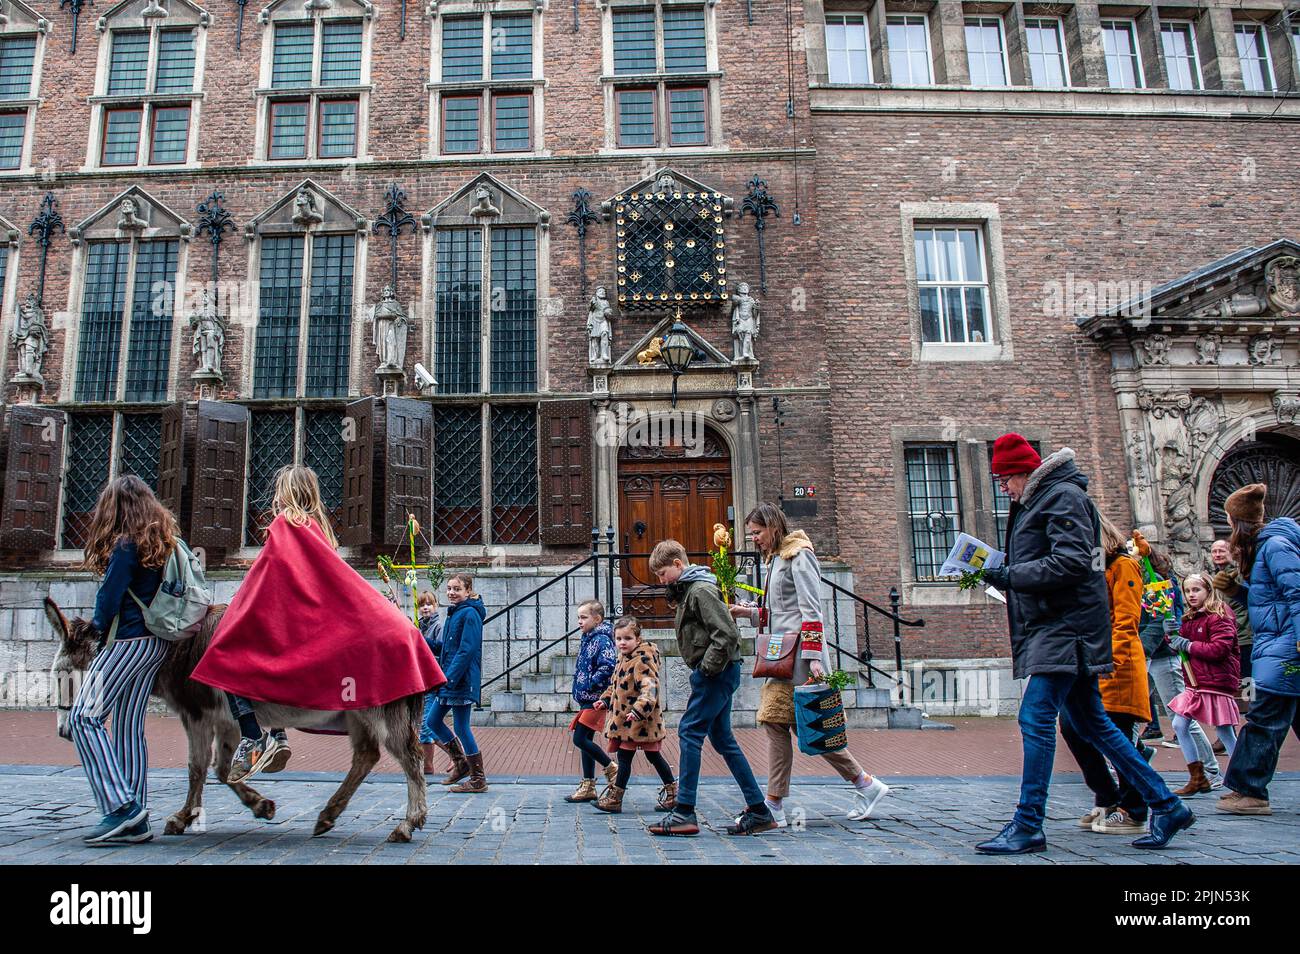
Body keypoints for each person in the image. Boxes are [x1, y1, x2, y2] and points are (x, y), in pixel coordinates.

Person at [976, 435, 1194, 853]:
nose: (1003, 488)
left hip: (1066, 631)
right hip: (1057, 627)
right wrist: (1005, 570)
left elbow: (1074, 562)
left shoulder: (1061, 496)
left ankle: (1028, 824)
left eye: (1005, 479)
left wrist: (1010, 575)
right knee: (1093, 723)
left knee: (1035, 719)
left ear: (1024, 472)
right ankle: (1166, 805)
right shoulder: (1042, 500)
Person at [192, 466, 443, 782]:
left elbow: (266, 579)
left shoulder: (285, 525)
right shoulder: (318, 529)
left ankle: (255, 736)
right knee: (266, 667)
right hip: (307, 628)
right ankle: (278, 734)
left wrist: (243, 610)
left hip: (287, 625)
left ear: (284, 493)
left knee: (227, 659)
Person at [732, 503, 889, 826]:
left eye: (757, 533)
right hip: (783, 656)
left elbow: (811, 610)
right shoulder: (777, 559)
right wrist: (746, 612)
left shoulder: (798, 555)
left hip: (800, 658)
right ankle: (863, 784)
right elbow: (779, 611)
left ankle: (775, 804)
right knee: (797, 726)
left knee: (795, 725)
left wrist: (815, 658)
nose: (754, 540)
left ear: (774, 527)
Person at [70, 475, 176, 845]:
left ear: (114, 507)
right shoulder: (161, 542)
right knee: (129, 728)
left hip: (127, 641)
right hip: (156, 643)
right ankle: (138, 817)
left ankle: (121, 808)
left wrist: (92, 629)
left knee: (83, 716)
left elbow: (109, 601)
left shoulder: (125, 545)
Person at [645, 539, 777, 837]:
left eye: (662, 572)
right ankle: (758, 810)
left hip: (716, 673)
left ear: (678, 564)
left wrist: (706, 668)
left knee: (690, 732)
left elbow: (727, 634)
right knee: (722, 738)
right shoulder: (691, 589)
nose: (660, 579)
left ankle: (684, 811)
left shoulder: (700, 590)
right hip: (719, 672)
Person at [1058, 515, 1153, 836]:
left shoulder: (1123, 566)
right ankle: (1108, 794)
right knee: (1072, 726)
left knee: (1118, 738)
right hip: (1093, 663)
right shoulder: (1096, 568)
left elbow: (1126, 621)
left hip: (1117, 666)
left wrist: (1106, 661)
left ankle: (1135, 808)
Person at [1218, 484, 1300, 815]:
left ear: (1240, 522)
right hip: (1279, 644)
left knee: (1265, 716)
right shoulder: (1267, 547)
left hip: (1286, 650)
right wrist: (1238, 591)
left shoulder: (1276, 546)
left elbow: (1296, 592)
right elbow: (1271, 600)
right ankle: (1248, 788)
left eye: (1229, 519)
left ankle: (1250, 790)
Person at [1139, 543, 1223, 787]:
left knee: (1181, 715)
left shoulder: (1162, 586)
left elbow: (1166, 618)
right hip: (1146, 655)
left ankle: (1210, 770)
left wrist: (1150, 644)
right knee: (1132, 713)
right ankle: (1134, 757)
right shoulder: (1140, 583)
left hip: (1163, 656)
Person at [1165, 572, 1241, 795]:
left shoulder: (1219, 614)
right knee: (1179, 726)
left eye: (1196, 590)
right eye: (1188, 591)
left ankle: (1241, 777)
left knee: (1225, 731)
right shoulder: (1190, 617)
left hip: (1215, 681)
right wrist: (1170, 637)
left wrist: (1186, 644)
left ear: (1208, 590)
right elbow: (1181, 647)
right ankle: (1197, 777)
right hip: (1196, 682)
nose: (1191, 595)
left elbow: (1219, 649)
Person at [591, 616, 676, 813]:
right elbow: (616, 685)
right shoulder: (624, 658)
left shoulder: (642, 659)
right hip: (626, 720)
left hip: (641, 721)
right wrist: (605, 700)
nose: (622, 643)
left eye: (627, 638)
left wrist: (639, 710)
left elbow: (650, 688)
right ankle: (672, 792)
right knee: (638, 756)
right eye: (619, 639)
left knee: (641, 756)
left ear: (638, 639)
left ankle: (616, 798)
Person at [428, 573, 489, 793]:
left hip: (460, 680)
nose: (452, 592)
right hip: (450, 680)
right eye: (449, 588)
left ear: (468, 591)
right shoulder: (454, 614)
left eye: (457, 589)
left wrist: (449, 678)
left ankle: (478, 779)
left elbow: (467, 650)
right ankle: (461, 762)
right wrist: (418, 638)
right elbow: (445, 648)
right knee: (433, 721)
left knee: (462, 727)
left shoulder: (470, 613)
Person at [564, 600, 619, 803]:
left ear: (597, 619)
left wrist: (589, 683)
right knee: (585, 740)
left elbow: (608, 666)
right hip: (586, 697)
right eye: (578, 617)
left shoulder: (602, 639)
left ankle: (611, 768)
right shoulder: (587, 637)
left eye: (584, 617)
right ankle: (588, 785)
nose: (580, 621)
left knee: (579, 738)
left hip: (596, 698)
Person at [1209, 537, 1255, 712]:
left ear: (1231, 553)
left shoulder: (1239, 576)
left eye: (1222, 550)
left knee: (1247, 681)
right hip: (1226, 640)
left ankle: (1251, 714)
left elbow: (1247, 604)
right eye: (1214, 551)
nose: (1218, 554)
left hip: (1244, 638)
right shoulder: (1215, 578)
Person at [417, 590, 445, 775]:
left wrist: (421, 640)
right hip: (421, 679)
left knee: (427, 725)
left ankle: (456, 755)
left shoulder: (438, 626)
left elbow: (440, 647)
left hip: (432, 678)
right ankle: (429, 766)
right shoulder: (419, 626)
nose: (425, 607)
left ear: (435, 606)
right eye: (422, 604)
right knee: (424, 724)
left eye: (429, 604)